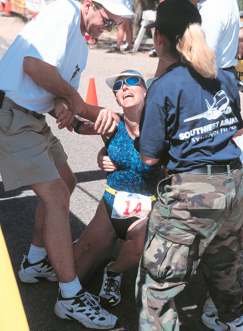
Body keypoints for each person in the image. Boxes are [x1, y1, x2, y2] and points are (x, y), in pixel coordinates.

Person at [0, 0, 134, 329]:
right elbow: (32, 66)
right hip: (13, 115)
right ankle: (71, 297)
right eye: (108, 18)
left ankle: (34, 261)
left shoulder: (82, 41)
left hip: (31, 117)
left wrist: (68, 110)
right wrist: (74, 101)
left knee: (67, 181)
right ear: (89, 4)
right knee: (57, 194)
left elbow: (54, 86)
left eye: (116, 23)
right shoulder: (65, 12)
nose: (110, 27)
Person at [136, 1, 243, 331]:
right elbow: (236, 130)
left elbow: (149, 157)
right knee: (226, 268)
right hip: (234, 186)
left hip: (192, 194)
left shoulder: (164, 86)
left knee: (158, 285)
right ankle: (235, 321)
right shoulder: (225, 79)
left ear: (159, 39)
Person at [73, 69, 161, 307]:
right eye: (118, 86)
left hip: (147, 206)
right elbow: (77, 126)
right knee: (75, 275)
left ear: (146, 90)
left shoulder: (161, 125)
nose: (124, 87)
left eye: (132, 81)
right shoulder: (112, 123)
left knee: (137, 249)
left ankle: (114, 271)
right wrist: (102, 154)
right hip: (112, 200)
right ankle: (91, 248)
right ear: (115, 98)